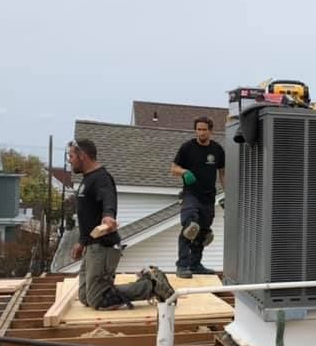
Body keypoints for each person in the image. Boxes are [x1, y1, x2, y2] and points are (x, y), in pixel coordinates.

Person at [68, 139, 174, 310]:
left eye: (71, 156)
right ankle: (140, 284)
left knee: (98, 300)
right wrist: (82, 241)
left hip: (104, 247)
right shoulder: (87, 179)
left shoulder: (102, 178)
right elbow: (88, 216)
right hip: (92, 246)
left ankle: (152, 285)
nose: (69, 160)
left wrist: (108, 216)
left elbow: (108, 200)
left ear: (82, 156)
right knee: (85, 297)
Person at [171, 117, 225, 279]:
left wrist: (228, 193)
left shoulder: (217, 150)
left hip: (208, 197)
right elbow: (173, 168)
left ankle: (195, 265)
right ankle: (182, 265)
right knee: (191, 226)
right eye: (199, 129)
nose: (201, 132)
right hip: (191, 195)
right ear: (196, 130)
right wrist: (184, 172)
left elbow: (222, 173)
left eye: (204, 129)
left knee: (203, 233)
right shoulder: (187, 148)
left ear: (210, 131)